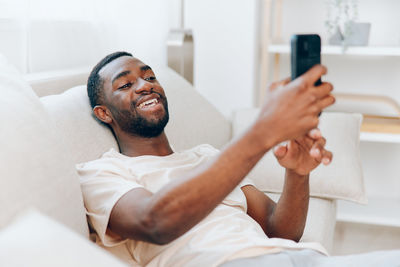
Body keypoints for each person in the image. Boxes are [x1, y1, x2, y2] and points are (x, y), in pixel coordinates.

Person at [77, 51, 399, 267]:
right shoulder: (103, 172)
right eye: (126, 84)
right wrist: (261, 133)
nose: (145, 86)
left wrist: (298, 174)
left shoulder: (206, 157)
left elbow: (280, 230)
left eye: (149, 77)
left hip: (291, 256)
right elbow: (156, 222)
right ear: (103, 112)